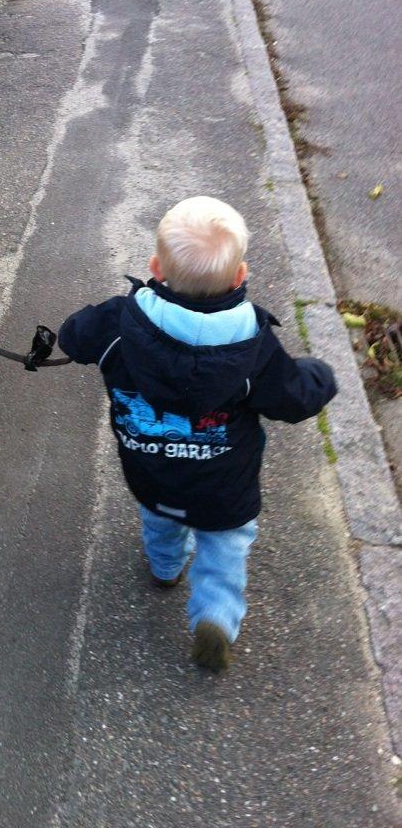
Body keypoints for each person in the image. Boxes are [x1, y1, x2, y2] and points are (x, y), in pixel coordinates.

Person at [58, 196, 337, 672]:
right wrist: (321, 375)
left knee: (161, 519)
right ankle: (216, 615)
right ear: (239, 276)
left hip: (152, 472)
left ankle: (165, 570)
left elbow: (71, 336)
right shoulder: (254, 348)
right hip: (224, 488)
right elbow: (294, 399)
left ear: (154, 268)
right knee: (225, 547)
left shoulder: (116, 327)